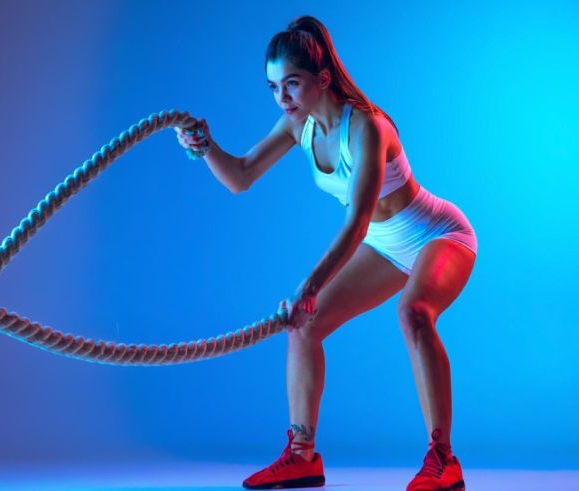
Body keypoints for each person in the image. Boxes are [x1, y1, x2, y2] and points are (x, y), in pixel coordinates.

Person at [175, 15, 475, 491]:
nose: (282, 98)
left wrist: (309, 285)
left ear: (322, 79)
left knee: (414, 312)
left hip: (436, 234)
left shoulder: (368, 128)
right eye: (274, 87)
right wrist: (205, 146)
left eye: (291, 84)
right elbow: (240, 176)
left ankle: (443, 460)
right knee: (305, 326)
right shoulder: (299, 126)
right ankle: (302, 456)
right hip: (384, 245)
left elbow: (357, 221)